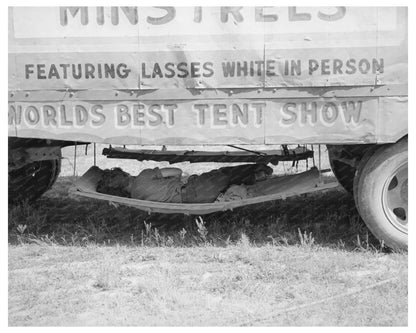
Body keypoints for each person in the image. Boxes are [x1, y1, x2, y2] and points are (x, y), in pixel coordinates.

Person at [96, 164, 273, 203]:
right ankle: (260, 168)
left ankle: (257, 176)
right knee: (223, 173)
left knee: (223, 180)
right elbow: (177, 172)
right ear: (126, 175)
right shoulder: (143, 176)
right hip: (197, 189)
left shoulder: (135, 197)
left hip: (194, 200)